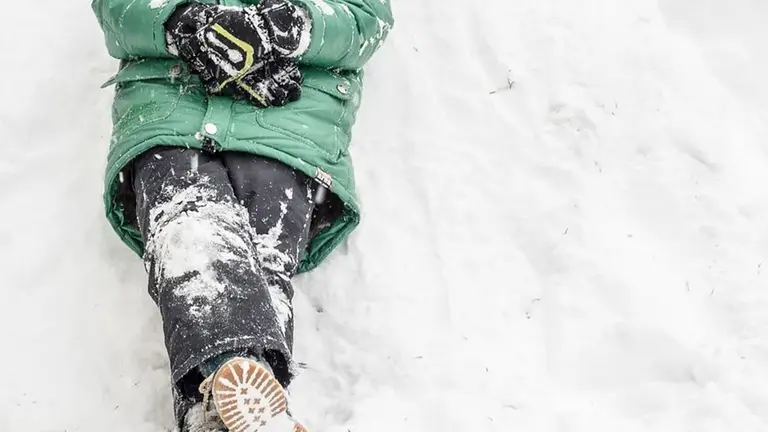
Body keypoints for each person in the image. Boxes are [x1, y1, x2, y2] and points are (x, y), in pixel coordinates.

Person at [90, 0, 393, 431]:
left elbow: (366, 20)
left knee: (254, 256)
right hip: (173, 118)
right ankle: (247, 395)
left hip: (286, 130)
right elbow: (118, 10)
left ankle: (209, 410)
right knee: (189, 226)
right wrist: (185, 23)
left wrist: (287, 27)